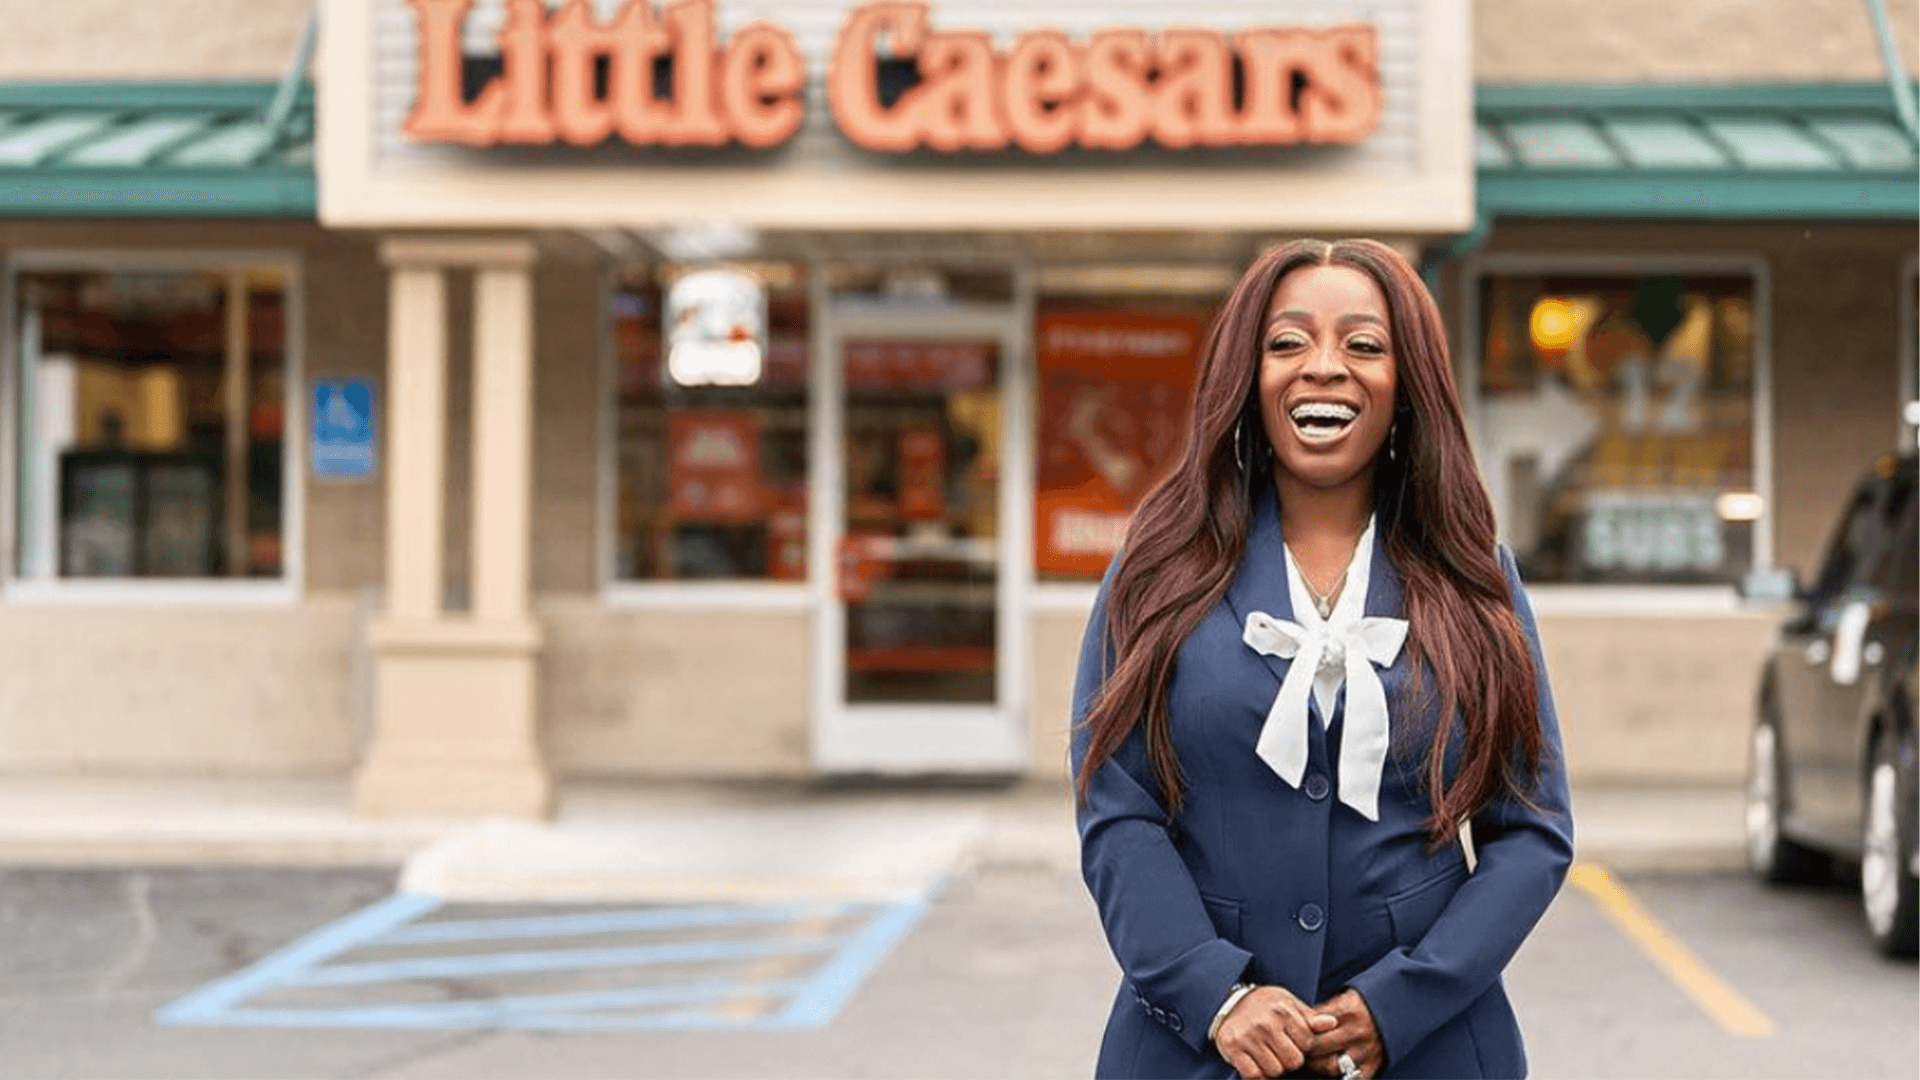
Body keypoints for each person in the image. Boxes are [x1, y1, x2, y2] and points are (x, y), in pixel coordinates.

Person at [1070, 239, 1573, 1080]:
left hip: (1433, 1048)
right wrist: (1216, 994)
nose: (1324, 368)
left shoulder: (1477, 575)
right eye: (1288, 342)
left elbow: (1532, 833)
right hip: (1193, 1049)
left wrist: (1404, 1001)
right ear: (1247, 379)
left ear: (1407, 386)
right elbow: (1117, 809)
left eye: (1364, 345)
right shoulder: (1158, 570)